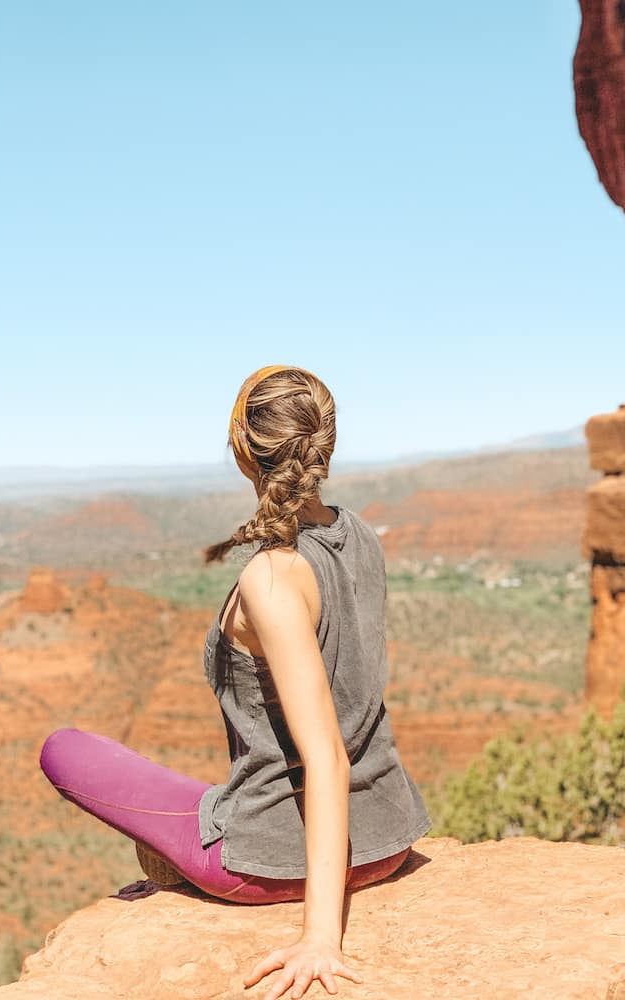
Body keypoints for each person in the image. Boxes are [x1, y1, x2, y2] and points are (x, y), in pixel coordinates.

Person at [39, 364, 431, 1000]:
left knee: (64, 749)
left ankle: (204, 852)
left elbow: (325, 757)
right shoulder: (357, 533)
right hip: (387, 835)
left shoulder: (272, 579)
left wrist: (319, 940)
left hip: (274, 860)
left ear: (243, 453)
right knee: (196, 791)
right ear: (325, 442)